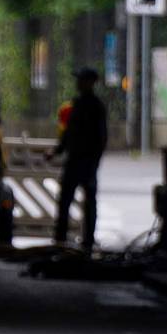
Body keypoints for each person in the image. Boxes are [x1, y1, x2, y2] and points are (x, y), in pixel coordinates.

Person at [49, 68, 109, 252]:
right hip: (77, 160)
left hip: (83, 161)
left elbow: (100, 137)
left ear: (90, 82)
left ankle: (84, 241)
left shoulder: (94, 106)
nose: (78, 83)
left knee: (81, 201)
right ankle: (67, 239)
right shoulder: (81, 105)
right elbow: (69, 133)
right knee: (71, 200)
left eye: (81, 80)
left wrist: (94, 161)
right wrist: (57, 150)